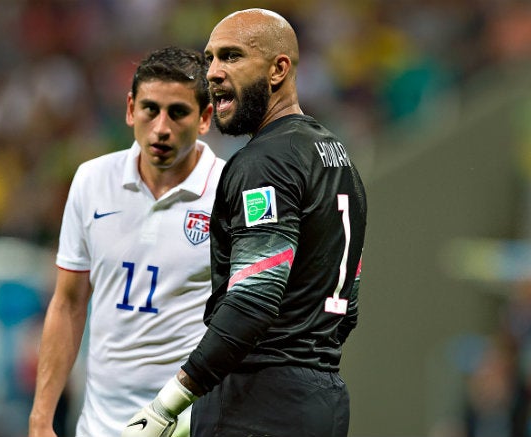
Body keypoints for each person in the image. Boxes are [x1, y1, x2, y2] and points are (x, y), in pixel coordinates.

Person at [122, 9, 368, 437]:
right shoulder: (337, 157)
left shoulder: (265, 164)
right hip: (322, 402)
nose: (213, 73)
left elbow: (252, 302)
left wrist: (167, 406)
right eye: (210, 58)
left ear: (279, 69)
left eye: (231, 57)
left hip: (259, 405)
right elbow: (347, 310)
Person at [28, 46, 225, 437]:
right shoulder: (91, 181)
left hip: (189, 424)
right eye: (150, 109)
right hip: (100, 425)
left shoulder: (228, 190)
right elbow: (68, 303)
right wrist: (41, 418)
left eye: (178, 112)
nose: (161, 127)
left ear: (204, 118)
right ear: (130, 108)